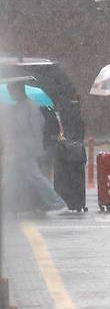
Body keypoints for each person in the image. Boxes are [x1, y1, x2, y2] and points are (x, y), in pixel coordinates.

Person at [2, 82, 67, 214]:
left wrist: (9, 118)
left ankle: (57, 203)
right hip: (21, 149)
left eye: (11, 91)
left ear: (18, 90)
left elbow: (21, 126)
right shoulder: (25, 105)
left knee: (34, 177)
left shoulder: (27, 106)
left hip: (25, 149)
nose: (10, 94)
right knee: (13, 179)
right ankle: (9, 206)